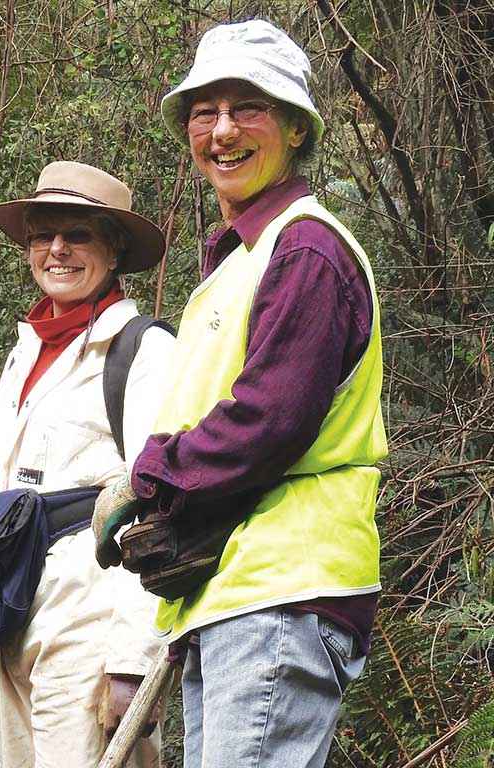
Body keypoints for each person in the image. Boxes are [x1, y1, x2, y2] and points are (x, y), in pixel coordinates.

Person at [92, 20, 388, 768]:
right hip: (235, 595)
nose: (222, 131)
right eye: (205, 112)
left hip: (281, 591)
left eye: (247, 107)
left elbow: (269, 420)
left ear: (295, 128)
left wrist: (149, 477)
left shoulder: (306, 248)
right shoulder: (240, 262)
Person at [0, 161, 176, 767]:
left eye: (78, 235)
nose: (57, 250)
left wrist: (133, 661)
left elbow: (160, 508)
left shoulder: (144, 351)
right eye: (43, 234)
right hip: (7, 627)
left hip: (89, 630)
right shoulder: (23, 355)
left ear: (114, 249)